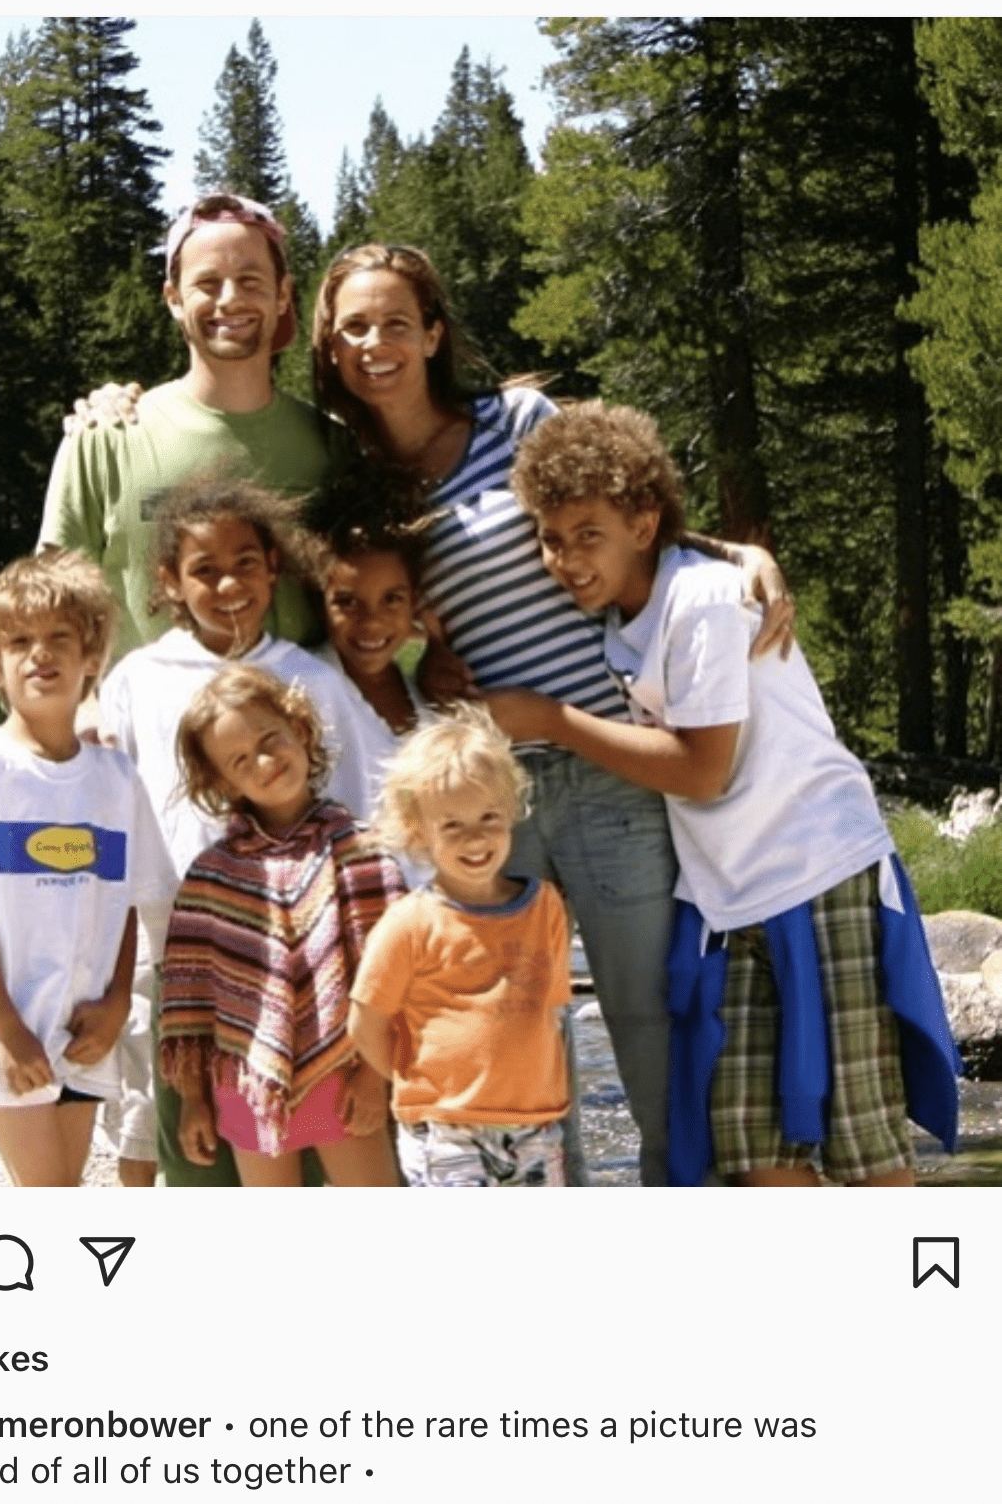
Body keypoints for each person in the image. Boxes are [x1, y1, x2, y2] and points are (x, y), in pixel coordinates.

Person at [311, 243, 793, 1186]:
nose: (377, 344)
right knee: (516, 1028)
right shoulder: (360, 481)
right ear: (329, 347)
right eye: (354, 328)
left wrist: (732, 551)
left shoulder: (516, 419)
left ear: (435, 333)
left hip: (615, 767)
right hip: (498, 792)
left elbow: (614, 508)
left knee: (645, 1019)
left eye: (397, 323)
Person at [487, 400, 960, 1186]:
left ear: (643, 524)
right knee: (744, 1141)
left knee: (860, 1135)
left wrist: (550, 721)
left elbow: (705, 769)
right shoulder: (627, 607)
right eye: (552, 539)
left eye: (587, 536)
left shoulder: (701, 602)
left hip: (818, 867)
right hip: (731, 892)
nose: (566, 559)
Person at [98, 470, 374, 1186]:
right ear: (168, 580)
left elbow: (374, 790)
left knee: (331, 1127)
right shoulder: (137, 679)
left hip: (312, 940)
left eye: (245, 564)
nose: (228, 586)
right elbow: (107, 804)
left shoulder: (308, 675)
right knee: (202, 1140)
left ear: (274, 565)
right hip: (184, 931)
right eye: (205, 571)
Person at [0, 552, 178, 1187]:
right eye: (20, 642)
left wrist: (117, 1001)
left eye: (61, 638)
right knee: (49, 1197)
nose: (41, 654)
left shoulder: (115, 780)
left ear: (91, 658)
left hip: (81, 1024)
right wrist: (7, 1028)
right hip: (4, 1023)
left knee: (65, 1191)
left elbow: (126, 907)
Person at [40, 192, 346, 657]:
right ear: (173, 298)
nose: (230, 300)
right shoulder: (107, 437)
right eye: (208, 283)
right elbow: (51, 602)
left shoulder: (331, 444)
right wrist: (82, 708)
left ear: (282, 294)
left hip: (304, 723)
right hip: (143, 729)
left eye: (250, 280)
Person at [159, 665, 405, 1186]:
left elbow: (396, 978)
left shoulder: (361, 852)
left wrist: (374, 1076)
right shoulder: (213, 876)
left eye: (270, 740)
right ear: (223, 781)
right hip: (249, 1080)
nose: (265, 762)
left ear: (300, 726)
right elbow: (191, 1001)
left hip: (345, 1072)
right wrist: (194, 1101)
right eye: (240, 761)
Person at [349, 709, 571, 1187]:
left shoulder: (545, 906)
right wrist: (418, 1081)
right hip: (446, 1129)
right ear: (418, 833)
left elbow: (551, 1010)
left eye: (489, 817)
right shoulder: (409, 922)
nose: (476, 837)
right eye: (452, 826)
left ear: (511, 812)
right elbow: (365, 1021)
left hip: (536, 1125)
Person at [300, 467, 438, 815]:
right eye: (347, 602)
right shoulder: (301, 690)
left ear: (414, 601)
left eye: (391, 599)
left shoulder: (430, 693)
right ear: (319, 604)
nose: (372, 622)